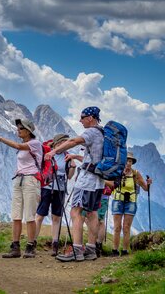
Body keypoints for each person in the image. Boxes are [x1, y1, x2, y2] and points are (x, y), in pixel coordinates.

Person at [45, 106, 105, 262]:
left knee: (75, 212)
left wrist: (54, 151)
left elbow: (73, 141)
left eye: (83, 117)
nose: (80, 120)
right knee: (92, 213)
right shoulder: (103, 133)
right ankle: (91, 249)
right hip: (98, 180)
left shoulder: (91, 132)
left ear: (90, 118)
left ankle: (77, 250)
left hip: (86, 180)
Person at [0, 119, 42, 258]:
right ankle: (15, 247)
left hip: (30, 179)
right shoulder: (25, 144)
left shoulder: (34, 143)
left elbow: (17, 146)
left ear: (28, 131)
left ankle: (30, 246)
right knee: (16, 215)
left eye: (21, 128)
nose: (18, 130)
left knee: (29, 215)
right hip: (19, 179)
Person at [34, 134, 76, 256]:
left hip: (60, 189)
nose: (65, 145)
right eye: (64, 143)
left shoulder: (66, 156)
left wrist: (72, 165)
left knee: (56, 217)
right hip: (47, 188)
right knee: (40, 215)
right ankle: (33, 242)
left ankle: (55, 244)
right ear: (58, 143)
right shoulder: (48, 154)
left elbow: (69, 176)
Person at [106, 151, 153, 256]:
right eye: (126, 160)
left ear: (132, 163)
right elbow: (112, 184)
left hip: (130, 202)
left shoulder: (136, 174)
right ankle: (115, 250)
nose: (128, 163)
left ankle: (125, 250)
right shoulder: (117, 172)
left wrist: (148, 184)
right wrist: (103, 180)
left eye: (130, 161)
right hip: (118, 200)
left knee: (126, 227)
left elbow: (145, 188)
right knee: (117, 227)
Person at [81, 185, 112, 257]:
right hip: (102, 195)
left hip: (92, 191)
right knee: (98, 220)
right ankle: (97, 245)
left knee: (94, 219)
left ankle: (95, 244)